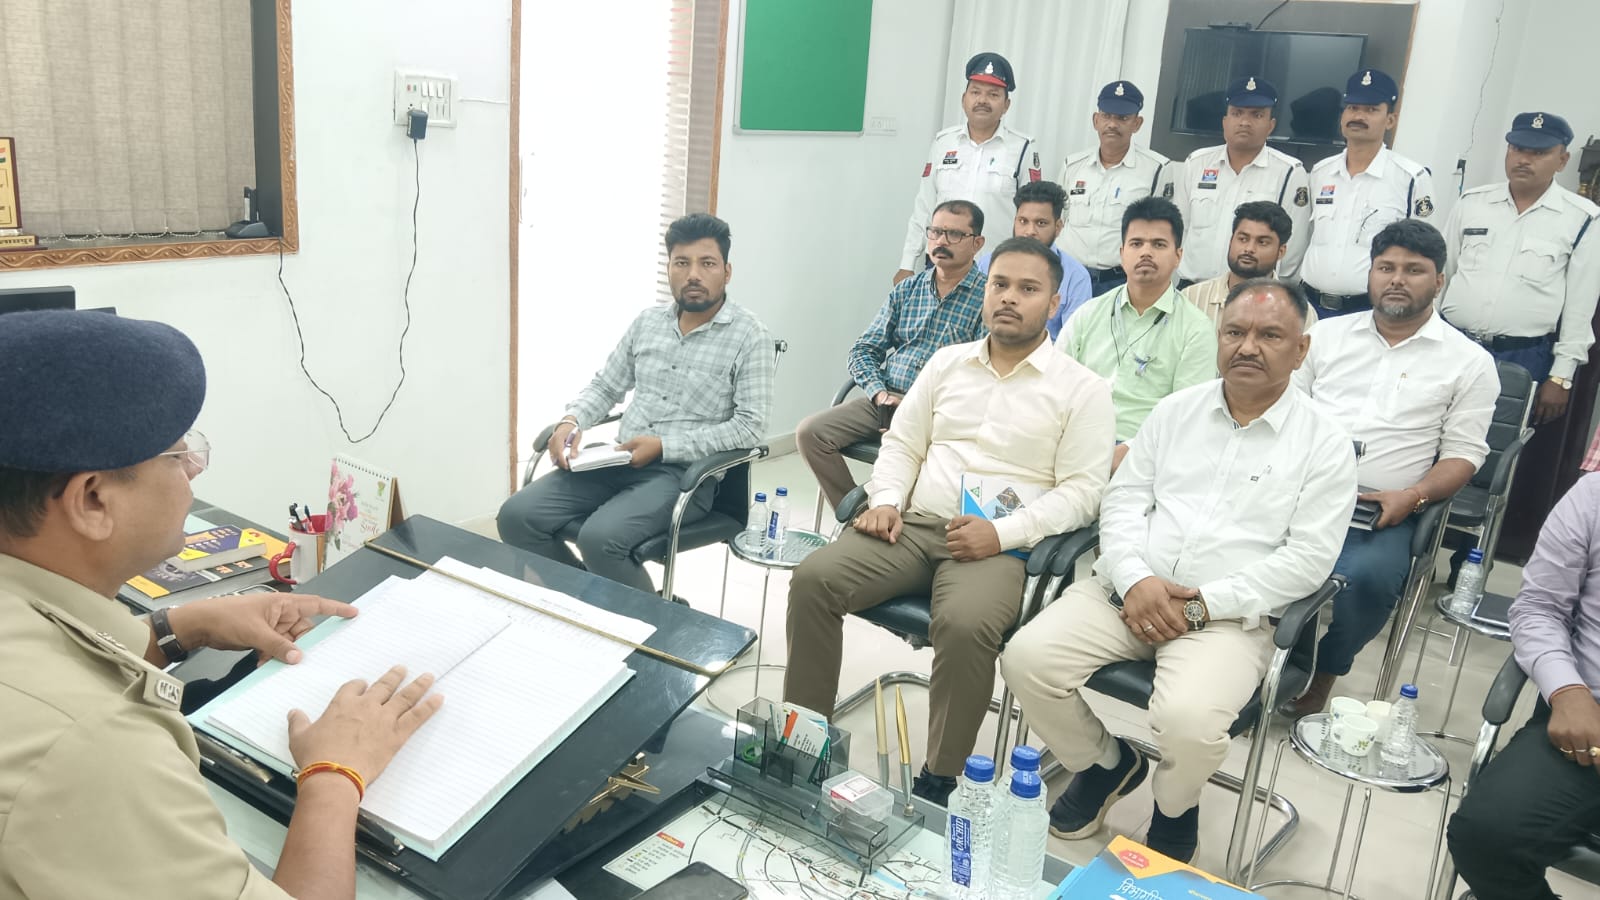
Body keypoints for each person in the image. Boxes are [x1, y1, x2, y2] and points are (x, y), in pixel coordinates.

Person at [0, 310, 443, 898]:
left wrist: (181, 627)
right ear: (92, 500)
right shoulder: (95, 747)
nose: (193, 471)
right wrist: (335, 773)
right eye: (177, 455)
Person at [1001, 279, 1355, 862]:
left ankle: (1174, 807)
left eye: (1269, 336)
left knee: (1187, 721)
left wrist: (1202, 604)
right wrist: (1137, 579)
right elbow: (1122, 501)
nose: (1247, 347)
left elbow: (1309, 560)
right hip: (1126, 594)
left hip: (1228, 621)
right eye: (1234, 332)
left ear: (1301, 350)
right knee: (1026, 659)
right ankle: (1105, 763)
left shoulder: (1325, 443)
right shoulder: (1175, 412)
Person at [786, 237, 1115, 805]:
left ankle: (940, 777)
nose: (1009, 298)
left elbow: (1084, 494)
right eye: (1000, 284)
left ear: (1055, 303)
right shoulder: (946, 363)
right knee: (814, 579)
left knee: (964, 625)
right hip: (913, 525)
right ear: (985, 292)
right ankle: (804, 741)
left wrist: (1002, 533)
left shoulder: (1082, 389)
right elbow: (903, 444)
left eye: (1028, 289)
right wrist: (886, 499)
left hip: (998, 546)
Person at [1281, 219, 1498, 717]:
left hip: (1384, 508)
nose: (1397, 279)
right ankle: (1273, 663)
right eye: (1386, 267)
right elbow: (1283, 409)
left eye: (1413, 270)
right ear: (1371, 274)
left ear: (1438, 281)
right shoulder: (1325, 336)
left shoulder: (1468, 361)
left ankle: (1323, 672)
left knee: (1369, 580)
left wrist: (1414, 496)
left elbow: (1464, 454)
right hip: (1299, 490)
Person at [497, 213, 774, 594]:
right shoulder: (648, 323)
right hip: (616, 459)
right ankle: (588, 603)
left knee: (600, 539)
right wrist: (571, 421)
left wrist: (664, 447)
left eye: (707, 263)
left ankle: (651, 625)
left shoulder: (750, 336)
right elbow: (606, 386)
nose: (693, 274)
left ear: (726, 272)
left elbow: (750, 427)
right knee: (516, 517)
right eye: (682, 262)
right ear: (669, 269)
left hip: (683, 477)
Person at [1447, 473, 1600, 900]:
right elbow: (1538, 607)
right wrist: (1567, 692)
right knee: (1486, 836)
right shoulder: (1593, 497)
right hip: (1587, 719)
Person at [799, 201, 989, 511]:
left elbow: (980, 373)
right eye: (935, 232)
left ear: (977, 243)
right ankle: (857, 515)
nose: (941, 241)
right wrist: (879, 393)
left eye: (954, 234)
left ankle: (895, 519)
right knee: (811, 433)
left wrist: (915, 406)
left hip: (938, 413)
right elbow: (864, 350)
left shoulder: (987, 298)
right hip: (884, 403)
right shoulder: (907, 290)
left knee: (930, 465)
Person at [1440, 111, 1600, 424]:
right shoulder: (1472, 203)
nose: (1524, 159)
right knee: (1429, 434)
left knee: (1498, 443)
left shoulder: (1582, 218)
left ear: (1563, 160)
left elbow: (1580, 305)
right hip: (1453, 344)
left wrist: (1562, 375)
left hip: (1521, 356)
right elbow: (1441, 276)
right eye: (1517, 149)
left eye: (1539, 153)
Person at [1058, 196, 1217, 451]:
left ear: (1178, 256)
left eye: (1158, 244)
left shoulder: (1196, 329)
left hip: (1145, 451)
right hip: (1075, 439)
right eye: (1136, 243)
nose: (1146, 252)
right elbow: (1055, 381)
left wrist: (1130, 451)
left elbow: (1186, 415)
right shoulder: (1089, 313)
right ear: (1122, 254)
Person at [894, 52, 1043, 285]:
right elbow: (924, 206)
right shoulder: (943, 143)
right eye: (975, 92)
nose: (982, 100)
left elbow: (1032, 216)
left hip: (995, 268)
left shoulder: (1023, 148)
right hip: (941, 263)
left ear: (1006, 105)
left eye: (993, 94)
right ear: (964, 99)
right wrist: (907, 263)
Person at [1301, 69, 1436, 318]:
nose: (1358, 116)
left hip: (1369, 311)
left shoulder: (1410, 178)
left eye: (1371, 110)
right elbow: (1305, 236)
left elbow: (1423, 253)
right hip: (1310, 307)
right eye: (1352, 108)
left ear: (1390, 120)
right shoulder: (1320, 172)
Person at [1171, 76, 1310, 286]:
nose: (1245, 122)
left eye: (1257, 115)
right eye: (1237, 113)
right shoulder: (1196, 163)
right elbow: (1180, 228)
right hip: (1193, 288)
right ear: (1224, 121)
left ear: (1271, 125)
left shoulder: (1289, 172)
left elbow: (1293, 246)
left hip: (1252, 291)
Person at [1057, 80, 1173, 297]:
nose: (1112, 124)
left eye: (1122, 118)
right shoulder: (1072, 165)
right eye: (1107, 116)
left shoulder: (1156, 168)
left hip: (1119, 281)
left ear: (1137, 123)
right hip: (1070, 278)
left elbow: (1161, 231)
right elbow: (1059, 220)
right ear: (1096, 120)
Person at [974, 180, 1094, 338]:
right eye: (1023, 221)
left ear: (1058, 227)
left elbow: (1072, 341)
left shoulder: (1076, 276)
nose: (1030, 231)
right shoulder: (986, 264)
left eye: (1041, 223)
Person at [1181, 200, 1311, 327]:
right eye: (1243, 239)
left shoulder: (1299, 311)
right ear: (1231, 241)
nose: (1249, 248)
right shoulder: (1191, 298)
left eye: (1262, 242)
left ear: (1281, 251)